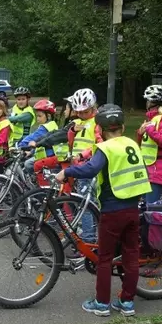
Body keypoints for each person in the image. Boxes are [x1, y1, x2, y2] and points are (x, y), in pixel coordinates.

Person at [56, 104, 151, 317]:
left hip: (112, 210)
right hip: (133, 209)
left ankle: (101, 303)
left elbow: (91, 169)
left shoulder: (106, 148)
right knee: (131, 256)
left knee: (105, 258)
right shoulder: (131, 144)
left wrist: (67, 172)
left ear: (99, 129)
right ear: (123, 127)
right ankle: (127, 302)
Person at [66, 88, 102, 250]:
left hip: (89, 168)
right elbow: (72, 141)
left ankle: (88, 240)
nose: (81, 115)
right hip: (79, 168)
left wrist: (84, 154)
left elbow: (99, 144)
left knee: (86, 205)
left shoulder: (97, 122)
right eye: (78, 112)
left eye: (85, 111)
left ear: (93, 107)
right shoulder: (80, 122)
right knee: (88, 204)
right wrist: (72, 131)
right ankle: (90, 236)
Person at [137, 84, 162, 203]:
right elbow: (145, 145)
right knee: (146, 207)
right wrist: (140, 134)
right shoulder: (152, 120)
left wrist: (151, 131)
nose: (146, 103)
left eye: (148, 100)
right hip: (150, 170)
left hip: (158, 171)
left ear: (153, 103)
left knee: (151, 209)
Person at [17, 99, 61, 177]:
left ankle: (35, 184)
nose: (37, 118)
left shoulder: (45, 128)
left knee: (28, 164)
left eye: (40, 116)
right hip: (47, 154)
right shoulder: (52, 124)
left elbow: (32, 138)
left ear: (49, 116)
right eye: (36, 116)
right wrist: (32, 151)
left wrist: (20, 144)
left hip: (48, 155)